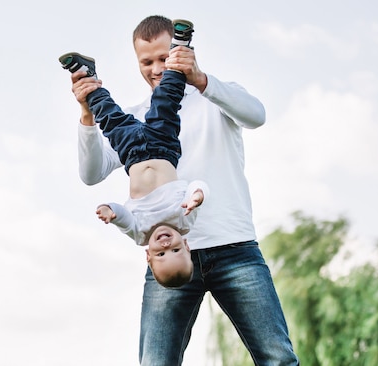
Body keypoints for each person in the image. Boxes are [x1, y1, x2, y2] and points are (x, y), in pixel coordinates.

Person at [68, 15, 300, 365]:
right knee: (155, 362)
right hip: (169, 256)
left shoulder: (214, 97)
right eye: (147, 62)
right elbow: (91, 173)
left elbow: (257, 115)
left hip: (233, 248)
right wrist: (87, 114)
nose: (156, 68)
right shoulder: (135, 119)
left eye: (164, 58)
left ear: (181, 53)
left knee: (278, 358)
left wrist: (201, 80)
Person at [59, 20, 209, 288]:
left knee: (109, 117)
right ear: (186, 244)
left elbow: (122, 217)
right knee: (166, 101)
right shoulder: (184, 219)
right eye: (175, 250)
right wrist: (198, 194)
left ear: (148, 256)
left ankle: (85, 73)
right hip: (163, 146)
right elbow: (198, 187)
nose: (166, 245)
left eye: (161, 253)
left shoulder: (140, 233)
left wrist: (111, 212)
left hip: (131, 152)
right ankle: (180, 45)